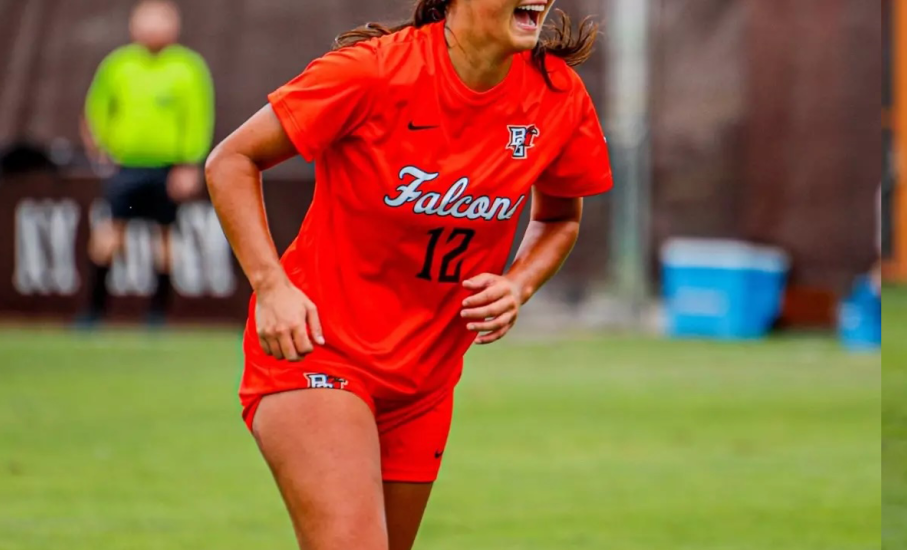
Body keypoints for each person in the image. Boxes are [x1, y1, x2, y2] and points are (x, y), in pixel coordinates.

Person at [202, 1, 607, 548]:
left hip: (425, 383)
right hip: (318, 349)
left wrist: (518, 282)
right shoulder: (371, 71)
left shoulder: (557, 95)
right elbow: (230, 161)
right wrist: (272, 286)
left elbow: (559, 217)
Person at [77, 0, 213, 327]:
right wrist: (99, 148)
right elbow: (95, 110)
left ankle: (157, 315)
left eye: (161, 21)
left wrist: (189, 164)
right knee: (110, 234)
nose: (153, 28)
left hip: (168, 167)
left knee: (165, 238)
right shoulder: (118, 64)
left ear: (174, 26)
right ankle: (94, 312)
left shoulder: (188, 67)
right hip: (126, 167)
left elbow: (198, 118)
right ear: (133, 26)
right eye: (146, 21)